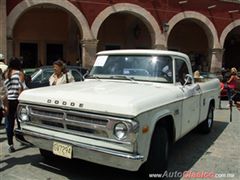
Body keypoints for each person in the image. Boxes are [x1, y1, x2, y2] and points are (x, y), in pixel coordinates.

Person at [4, 57, 26, 153]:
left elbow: (4, 89)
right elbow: (20, 87)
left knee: (9, 123)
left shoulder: (6, 73)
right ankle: (21, 139)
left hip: (7, 100)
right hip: (17, 100)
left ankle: (10, 144)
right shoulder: (20, 73)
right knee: (20, 121)